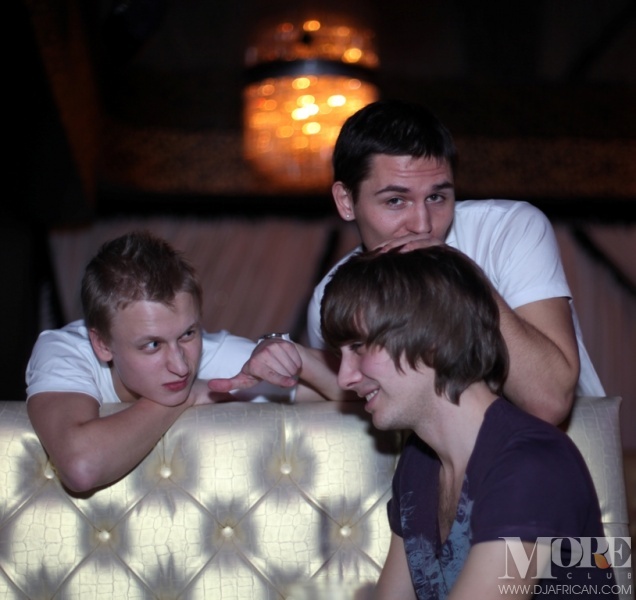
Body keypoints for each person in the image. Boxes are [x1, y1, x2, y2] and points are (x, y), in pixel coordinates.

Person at [320, 246, 616, 600]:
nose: (345, 377)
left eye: (358, 346)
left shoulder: (532, 462)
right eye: (340, 355)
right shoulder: (419, 460)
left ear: (432, 337)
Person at [307, 99, 604, 425]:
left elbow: (549, 401)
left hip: (570, 447)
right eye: (396, 200)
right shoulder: (333, 297)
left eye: (436, 197)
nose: (422, 225)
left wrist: (464, 278)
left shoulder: (506, 230)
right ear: (346, 201)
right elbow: (362, 397)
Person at [26, 231, 342, 493]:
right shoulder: (66, 350)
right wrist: (187, 396)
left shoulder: (210, 352)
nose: (180, 366)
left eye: (188, 333)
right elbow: (82, 467)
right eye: (152, 345)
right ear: (101, 344)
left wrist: (295, 354)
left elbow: (357, 386)